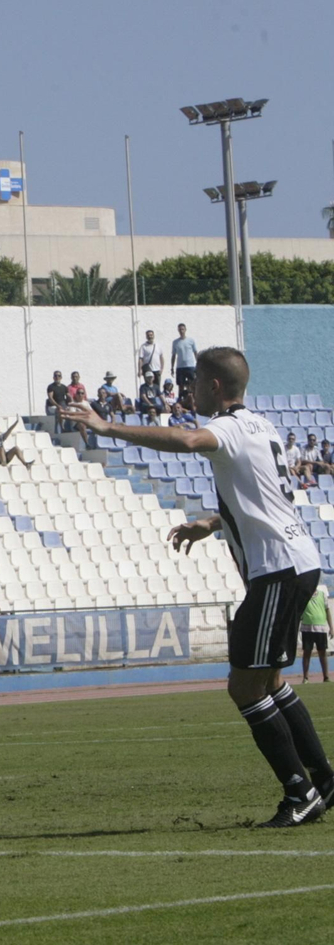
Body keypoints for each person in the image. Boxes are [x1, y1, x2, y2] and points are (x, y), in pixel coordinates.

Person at [65, 345, 334, 827]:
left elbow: (189, 442)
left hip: (277, 568)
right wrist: (211, 524)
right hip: (298, 561)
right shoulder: (262, 424)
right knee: (269, 681)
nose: (187, 390)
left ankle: (301, 792)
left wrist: (107, 427)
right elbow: (264, 498)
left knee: (244, 687)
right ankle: (323, 781)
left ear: (213, 386)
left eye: (193, 383)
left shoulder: (227, 428)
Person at [302, 586, 330, 685]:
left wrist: (331, 627)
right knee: (307, 653)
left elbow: (327, 610)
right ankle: (305, 677)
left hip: (321, 627)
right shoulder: (303, 594)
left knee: (322, 652)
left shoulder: (322, 594)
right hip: (307, 628)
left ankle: (326, 676)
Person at [172, 323, 199, 393]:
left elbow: (195, 352)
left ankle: (193, 398)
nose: (181, 331)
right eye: (180, 329)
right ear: (178, 330)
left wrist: (198, 363)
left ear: (185, 330)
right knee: (180, 384)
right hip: (180, 366)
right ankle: (181, 398)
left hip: (190, 366)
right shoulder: (175, 342)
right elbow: (173, 355)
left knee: (192, 383)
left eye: (182, 329)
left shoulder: (191, 341)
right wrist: (172, 367)